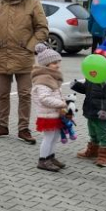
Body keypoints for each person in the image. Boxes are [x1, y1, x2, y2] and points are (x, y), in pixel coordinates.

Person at [0, 0, 49, 144]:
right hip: (2, 56)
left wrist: (30, 46)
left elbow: (42, 29)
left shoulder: (34, 4)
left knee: (25, 94)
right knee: (2, 94)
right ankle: (2, 125)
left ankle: (23, 129)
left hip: (24, 57)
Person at [71, 39, 106, 167]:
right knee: (92, 130)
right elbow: (87, 89)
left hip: (103, 110)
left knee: (103, 133)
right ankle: (93, 149)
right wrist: (76, 86)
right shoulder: (93, 72)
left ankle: (104, 154)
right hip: (91, 108)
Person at [31, 43, 67, 172]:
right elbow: (44, 99)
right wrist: (61, 104)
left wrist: (63, 101)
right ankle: (43, 160)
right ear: (46, 65)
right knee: (48, 137)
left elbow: (56, 94)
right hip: (47, 114)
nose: (57, 65)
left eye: (58, 62)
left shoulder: (52, 77)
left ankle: (50, 157)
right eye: (53, 63)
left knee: (55, 136)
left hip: (54, 113)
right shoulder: (43, 79)